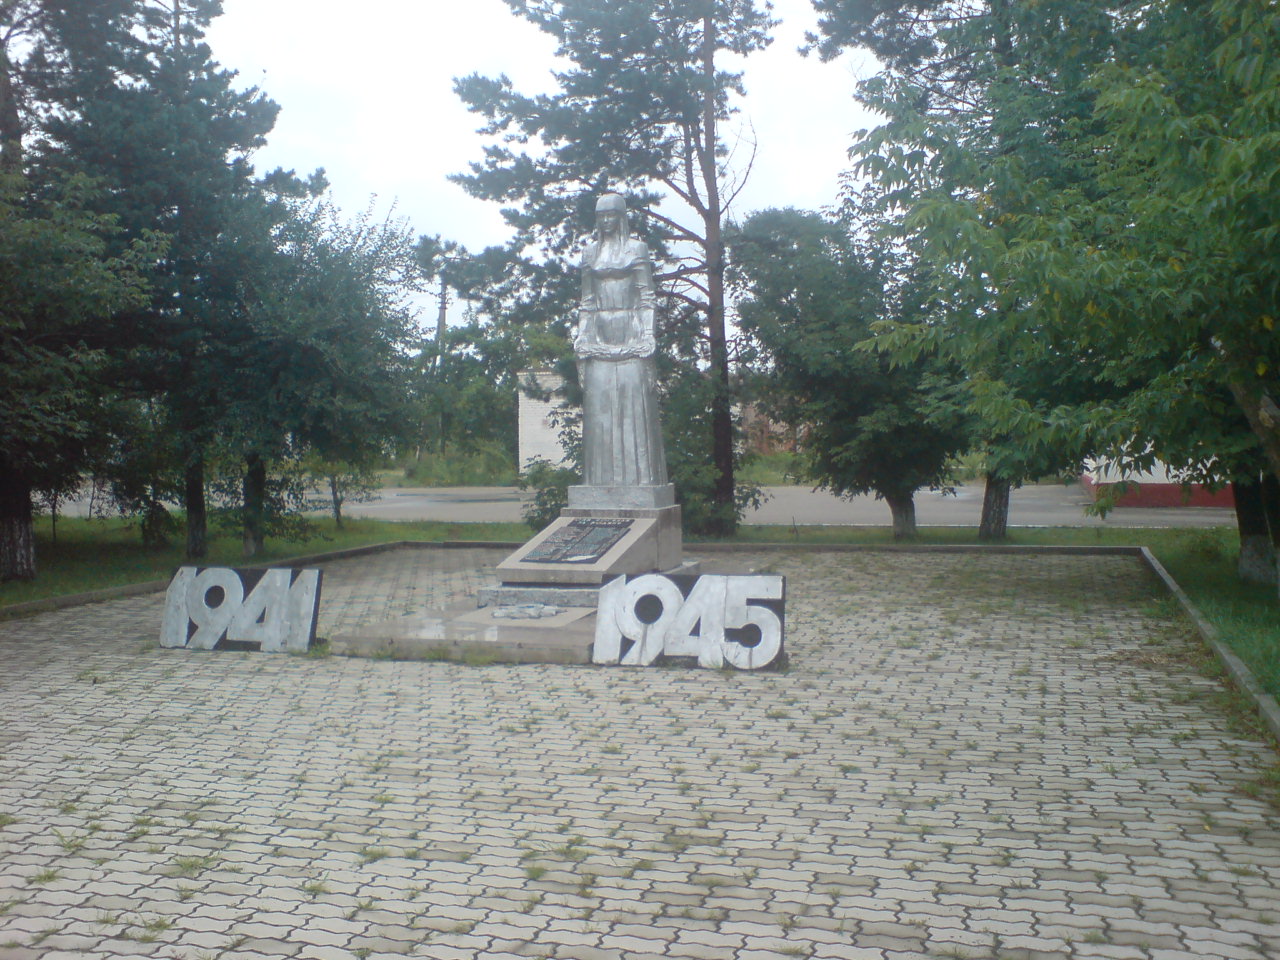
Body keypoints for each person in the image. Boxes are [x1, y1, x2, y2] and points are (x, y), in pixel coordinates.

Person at [574, 193, 668, 487]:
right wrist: (582, 335)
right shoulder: (590, 254)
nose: (605, 221)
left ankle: (640, 482)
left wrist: (648, 334)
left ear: (621, 217)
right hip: (600, 336)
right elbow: (587, 301)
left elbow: (647, 296)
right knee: (599, 416)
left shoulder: (636, 249)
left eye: (611, 215)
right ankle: (599, 484)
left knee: (634, 412)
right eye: (600, 216)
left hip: (632, 334)